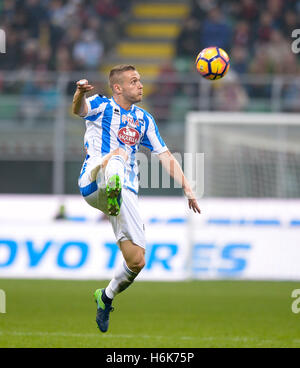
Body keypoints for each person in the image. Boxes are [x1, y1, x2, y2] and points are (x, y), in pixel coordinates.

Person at [72, 65, 201, 333]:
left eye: (140, 80)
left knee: (137, 261)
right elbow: (78, 109)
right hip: (94, 180)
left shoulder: (145, 120)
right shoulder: (102, 106)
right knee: (118, 155)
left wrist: (187, 186)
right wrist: (78, 92)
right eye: (133, 81)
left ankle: (105, 296)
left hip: (126, 191)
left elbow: (165, 155)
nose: (140, 85)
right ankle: (112, 189)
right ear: (117, 88)